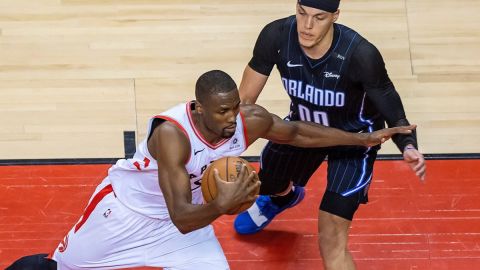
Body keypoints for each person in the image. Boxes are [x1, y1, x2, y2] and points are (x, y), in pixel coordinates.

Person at [7, 70, 414, 270]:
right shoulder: (173, 136)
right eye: (222, 111)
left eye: (235, 107)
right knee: (56, 269)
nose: (231, 118)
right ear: (199, 107)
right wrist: (225, 204)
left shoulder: (244, 121)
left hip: (185, 223)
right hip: (126, 213)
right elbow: (182, 216)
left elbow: (296, 133)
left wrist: (358, 139)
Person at [233, 1, 427, 269]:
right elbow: (245, 101)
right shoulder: (276, 36)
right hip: (301, 131)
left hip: (354, 143)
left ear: (335, 16)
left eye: (319, 17)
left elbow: (391, 107)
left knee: (331, 238)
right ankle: (283, 197)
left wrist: (407, 145)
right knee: (262, 184)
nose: (307, 25)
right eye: (302, 14)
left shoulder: (360, 54)